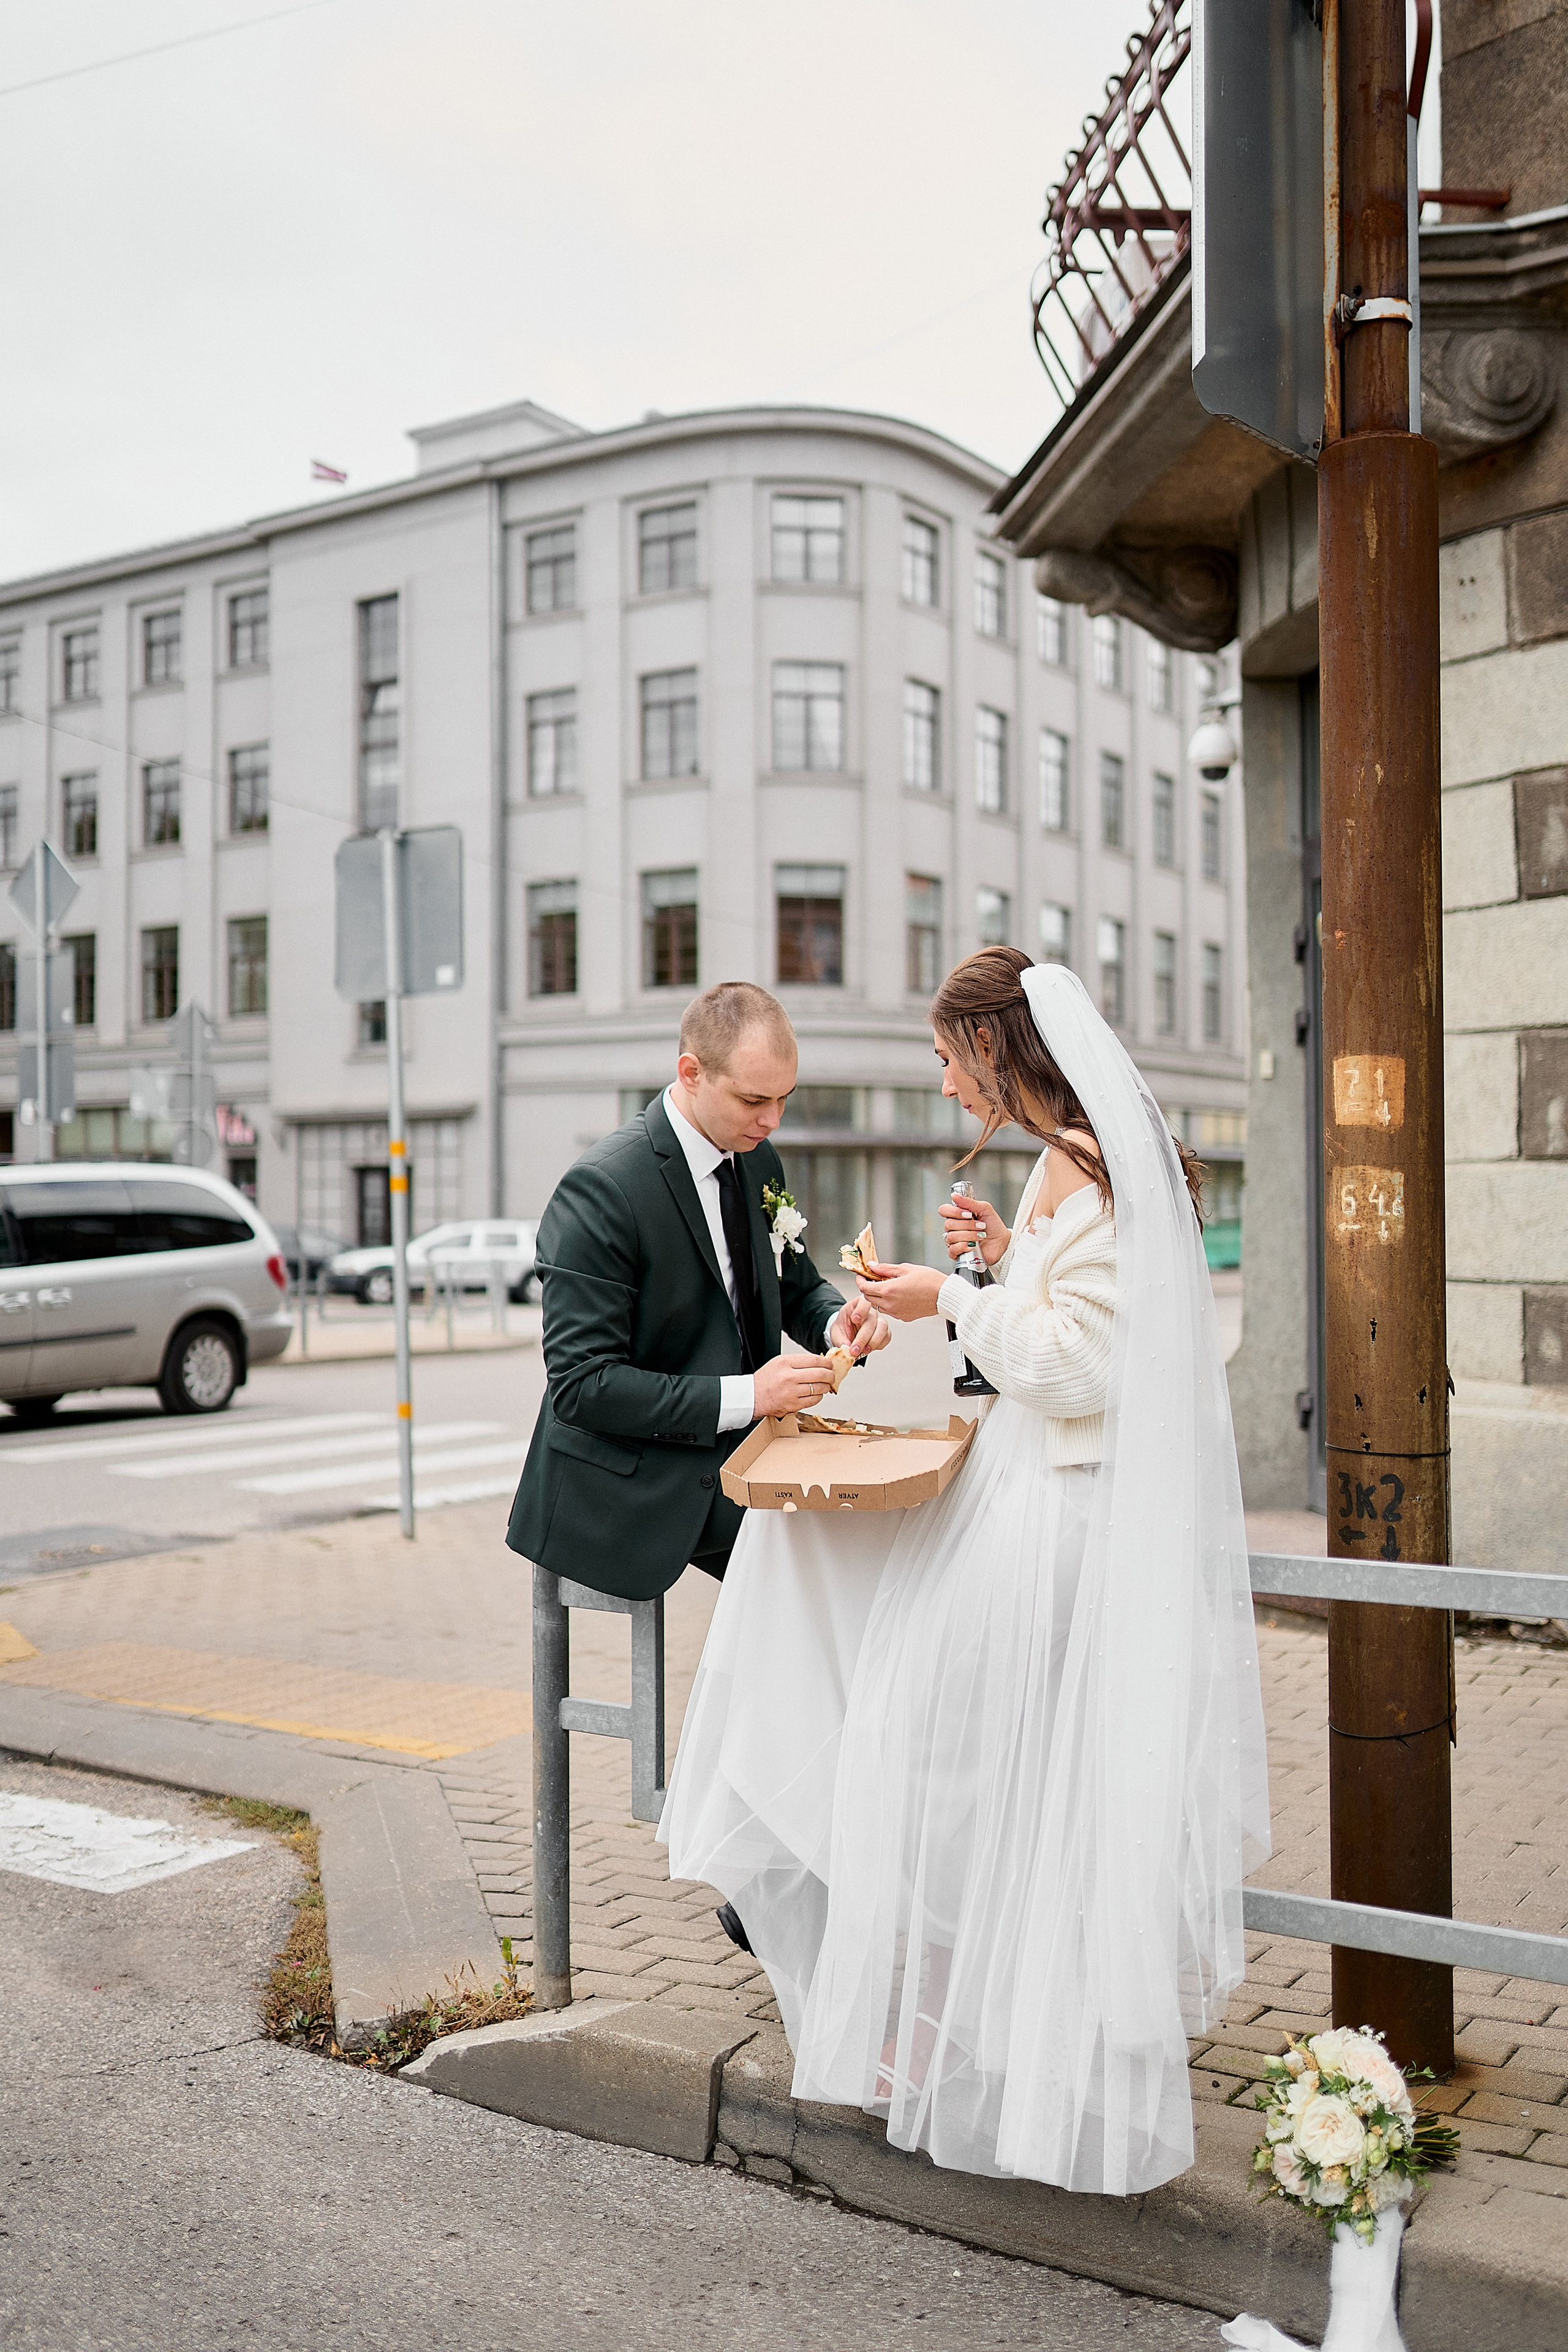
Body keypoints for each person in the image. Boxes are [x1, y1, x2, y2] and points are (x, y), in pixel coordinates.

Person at [659, 946, 1270, 2196]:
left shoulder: (1094, 1170)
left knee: (937, 1766)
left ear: (997, 1050)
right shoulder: (1062, 1165)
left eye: (945, 1058)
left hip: (1053, 1525)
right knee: (961, 1776)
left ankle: (958, 2036)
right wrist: (978, 1276)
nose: (939, 1083)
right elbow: (1046, 1319)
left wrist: (951, 1296)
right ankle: (950, 2027)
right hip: (1024, 1504)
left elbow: (1077, 1369)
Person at [507, 980, 890, 1607]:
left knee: (869, 1556)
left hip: (746, 1457)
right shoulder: (603, 1188)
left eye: (785, 1101)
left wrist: (834, 1323)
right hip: (637, 1485)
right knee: (825, 1587)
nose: (771, 1121)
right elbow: (582, 1387)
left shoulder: (758, 1160)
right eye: (753, 1100)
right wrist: (752, 1395)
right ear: (691, 1072)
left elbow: (794, 1287)